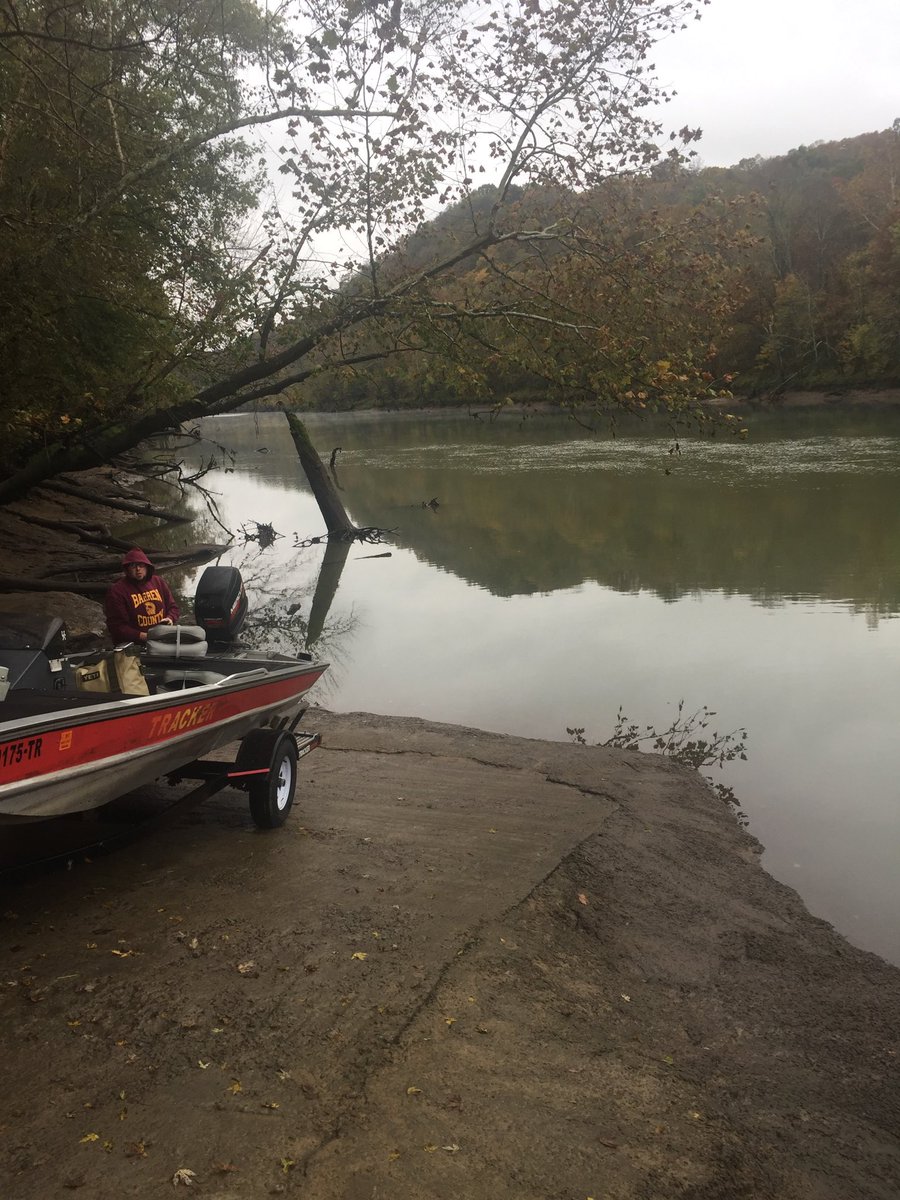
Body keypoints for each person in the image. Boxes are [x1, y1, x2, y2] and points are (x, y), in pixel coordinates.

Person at [104, 548, 180, 644]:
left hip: (163, 637)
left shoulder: (158, 582)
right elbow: (116, 627)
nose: (138, 569)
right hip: (135, 645)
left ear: (147, 566)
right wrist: (144, 636)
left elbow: (173, 607)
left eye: (141, 565)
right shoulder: (117, 591)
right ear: (127, 569)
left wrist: (170, 618)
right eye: (133, 566)